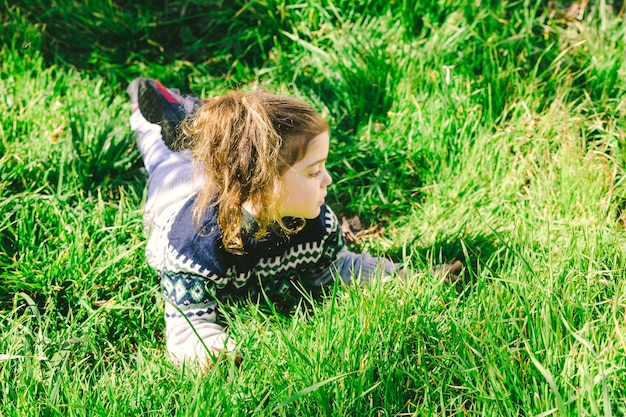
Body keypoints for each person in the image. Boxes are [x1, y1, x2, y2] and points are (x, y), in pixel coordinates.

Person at [127, 78, 459, 367]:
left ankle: (199, 117)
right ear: (264, 184)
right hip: (177, 195)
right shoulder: (192, 247)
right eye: (314, 171)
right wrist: (212, 352)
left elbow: (335, 268)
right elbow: (188, 324)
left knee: (223, 147)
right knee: (164, 156)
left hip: (237, 187)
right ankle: (158, 117)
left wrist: (404, 277)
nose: (327, 180)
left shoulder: (315, 222)